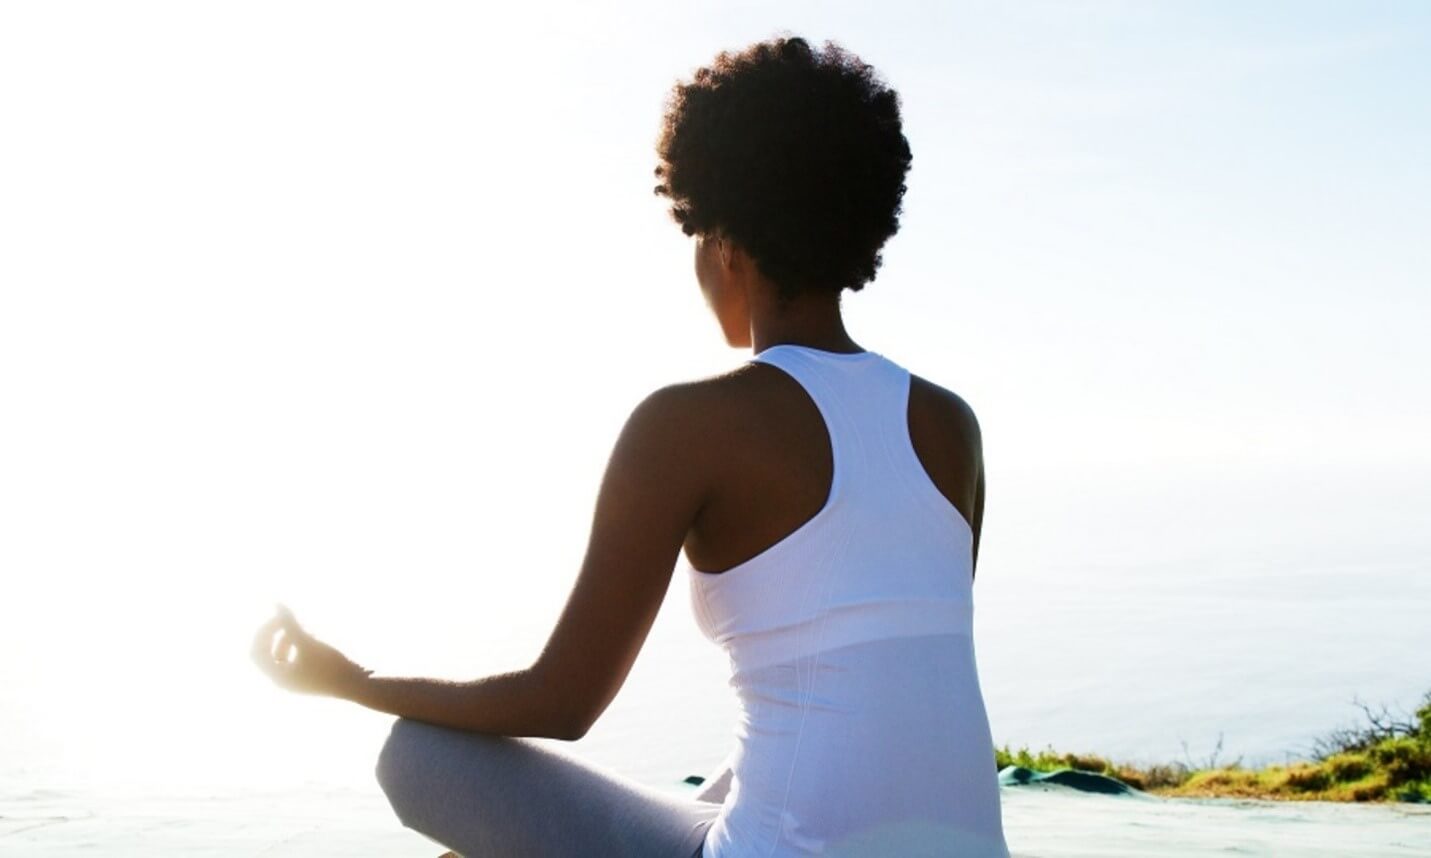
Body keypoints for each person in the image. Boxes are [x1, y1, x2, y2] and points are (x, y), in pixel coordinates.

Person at [251, 34, 1010, 858]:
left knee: (419, 756)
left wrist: (351, 683)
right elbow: (885, 696)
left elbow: (562, 700)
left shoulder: (690, 425)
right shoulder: (949, 425)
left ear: (724, 240)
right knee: (745, 763)